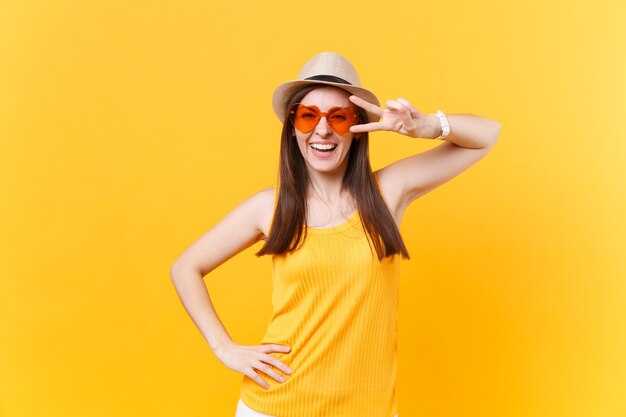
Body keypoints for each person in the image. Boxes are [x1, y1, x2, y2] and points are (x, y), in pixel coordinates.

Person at [170, 52, 501, 417]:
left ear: (357, 127)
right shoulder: (270, 207)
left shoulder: (387, 192)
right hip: (276, 406)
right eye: (308, 115)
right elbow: (186, 267)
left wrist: (425, 127)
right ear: (293, 125)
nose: (322, 130)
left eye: (338, 117)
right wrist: (224, 347)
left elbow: (488, 135)